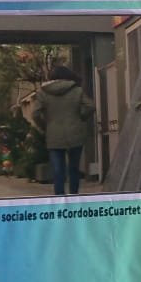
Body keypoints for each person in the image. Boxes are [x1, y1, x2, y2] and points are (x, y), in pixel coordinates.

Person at [33, 65, 95, 196]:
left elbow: (35, 113)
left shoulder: (43, 92)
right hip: (75, 132)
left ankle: (59, 199)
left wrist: (45, 125)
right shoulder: (77, 90)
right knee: (74, 169)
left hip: (53, 134)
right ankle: (73, 197)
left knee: (58, 170)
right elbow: (90, 106)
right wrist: (81, 117)